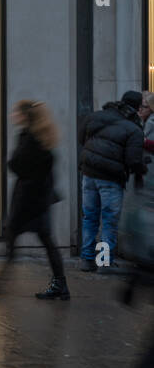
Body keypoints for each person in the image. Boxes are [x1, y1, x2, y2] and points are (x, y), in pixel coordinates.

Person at [0, 100, 68, 299]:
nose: (13, 115)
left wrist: (13, 162)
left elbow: (16, 164)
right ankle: (60, 283)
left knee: (13, 239)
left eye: (16, 113)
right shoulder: (44, 139)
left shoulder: (29, 139)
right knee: (46, 242)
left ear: (25, 116)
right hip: (40, 200)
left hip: (28, 200)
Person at [79, 89, 146, 271]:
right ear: (138, 107)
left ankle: (87, 259)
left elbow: (81, 138)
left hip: (88, 174)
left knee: (90, 218)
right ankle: (104, 262)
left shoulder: (96, 116)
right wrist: (143, 168)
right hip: (110, 179)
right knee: (108, 220)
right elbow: (133, 160)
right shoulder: (134, 128)